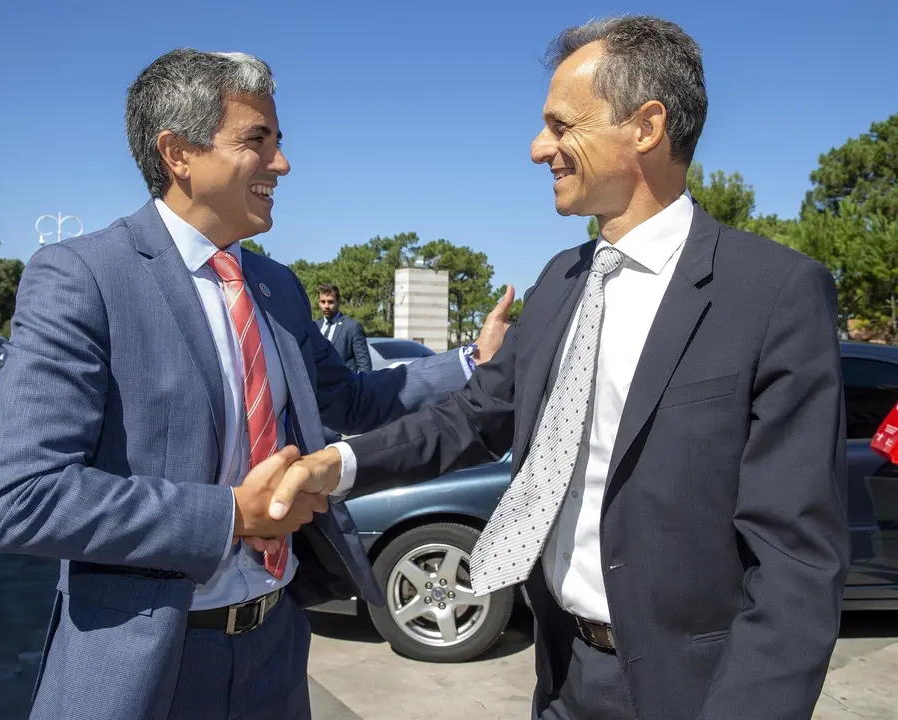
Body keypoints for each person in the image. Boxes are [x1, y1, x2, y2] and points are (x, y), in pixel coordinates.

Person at [270, 16, 849, 720]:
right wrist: (337, 465)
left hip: (692, 691)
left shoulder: (772, 292)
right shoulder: (559, 282)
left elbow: (795, 561)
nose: (539, 147)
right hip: (561, 676)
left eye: (560, 124)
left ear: (645, 126)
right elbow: (474, 417)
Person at [0, 49, 511, 720]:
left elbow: (348, 399)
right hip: (149, 668)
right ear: (177, 153)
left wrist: (470, 362)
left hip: (274, 650)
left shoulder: (276, 287)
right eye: (257, 142)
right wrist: (232, 515)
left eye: (278, 143)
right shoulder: (83, 278)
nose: (281, 165)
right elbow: (23, 499)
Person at [316, 283, 372, 373]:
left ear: (338, 302)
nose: (326, 306)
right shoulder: (315, 327)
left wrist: (361, 386)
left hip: (344, 384)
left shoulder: (352, 327)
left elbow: (364, 364)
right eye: (323, 302)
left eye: (330, 302)